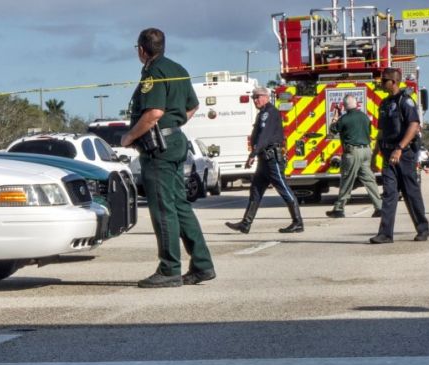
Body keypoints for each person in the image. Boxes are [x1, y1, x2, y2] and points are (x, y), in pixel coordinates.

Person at [120, 28, 214, 288]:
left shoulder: (154, 72)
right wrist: (177, 123)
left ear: (141, 49)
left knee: (163, 209)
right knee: (180, 205)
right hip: (175, 142)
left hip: (158, 148)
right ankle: (202, 265)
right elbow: (192, 105)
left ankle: (169, 269)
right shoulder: (179, 68)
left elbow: (154, 112)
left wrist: (129, 137)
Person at [225, 86, 303, 234]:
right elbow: (256, 135)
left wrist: (253, 154)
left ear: (266, 97)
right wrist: (254, 154)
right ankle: (246, 223)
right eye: (253, 98)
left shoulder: (270, 112)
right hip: (264, 160)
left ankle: (298, 222)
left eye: (258, 96)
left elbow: (265, 137)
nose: (255, 100)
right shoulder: (262, 113)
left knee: (283, 189)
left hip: (272, 159)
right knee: (255, 190)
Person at [370, 67, 429, 244]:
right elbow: (381, 132)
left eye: (384, 81)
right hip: (388, 155)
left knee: (411, 193)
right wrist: (375, 154)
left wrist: (399, 148)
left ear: (394, 82)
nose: (381, 84)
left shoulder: (406, 102)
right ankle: (385, 234)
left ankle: (423, 229)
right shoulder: (384, 103)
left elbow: (414, 126)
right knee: (389, 193)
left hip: (404, 154)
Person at [326, 94, 382, 218]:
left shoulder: (344, 119)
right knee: (369, 179)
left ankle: (339, 209)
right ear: (356, 104)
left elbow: (333, 130)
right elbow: (369, 131)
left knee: (347, 179)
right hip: (366, 150)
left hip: (352, 152)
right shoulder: (365, 117)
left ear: (344, 106)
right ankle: (379, 207)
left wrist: (335, 118)